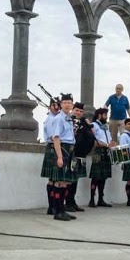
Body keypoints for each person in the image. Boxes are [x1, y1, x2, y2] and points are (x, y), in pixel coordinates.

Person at [47, 93, 78, 221]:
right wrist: (59, 157)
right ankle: (58, 211)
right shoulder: (58, 119)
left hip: (70, 150)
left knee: (65, 183)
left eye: (69, 103)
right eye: (65, 103)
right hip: (63, 150)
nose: (67, 105)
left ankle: (62, 209)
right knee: (60, 182)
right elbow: (56, 138)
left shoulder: (69, 119)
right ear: (61, 104)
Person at [88, 107, 113, 207]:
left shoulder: (106, 126)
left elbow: (109, 140)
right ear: (99, 115)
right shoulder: (94, 125)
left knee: (103, 177)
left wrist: (112, 144)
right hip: (98, 152)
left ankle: (101, 199)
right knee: (96, 176)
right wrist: (106, 145)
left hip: (106, 152)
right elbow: (93, 141)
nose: (106, 117)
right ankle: (91, 200)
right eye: (105, 115)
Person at [40, 99, 62, 214]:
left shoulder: (56, 118)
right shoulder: (51, 120)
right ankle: (51, 206)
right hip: (52, 147)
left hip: (55, 147)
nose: (57, 107)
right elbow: (53, 136)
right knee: (52, 179)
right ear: (49, 107)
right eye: (54, 105)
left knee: (55, 179)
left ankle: (53, 206)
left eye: (58, 105)